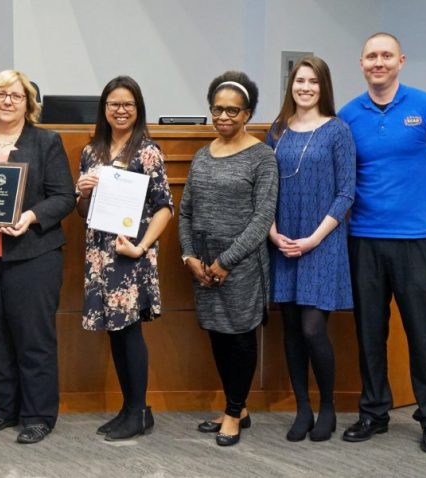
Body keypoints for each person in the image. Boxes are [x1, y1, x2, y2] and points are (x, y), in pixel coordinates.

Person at [338, 32, 426, 454]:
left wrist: (416, 206)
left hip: (415, 241)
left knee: (423, 333)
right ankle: (374, 413)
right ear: (361, 64)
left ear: (401, 61)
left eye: (386, 55)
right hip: (364, 241)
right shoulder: (348, 115)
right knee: (370, 333)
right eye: (371, 55)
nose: (378, 62)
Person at [0, 70, 76, 445]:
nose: (7, 101)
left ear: (29, 104)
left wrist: (30, 217)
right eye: (0, 94)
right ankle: (4, 409)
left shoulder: (46, 142)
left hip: (33, 256)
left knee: (33, 337)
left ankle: (38, 415)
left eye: (16, 96)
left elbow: (64, 197)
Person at [178, 71, 278, 447]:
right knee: (219, 338)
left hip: (241, 267)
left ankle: (234, 412)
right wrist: (189, 255)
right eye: (217, 110)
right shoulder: (203, 156)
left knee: (240, 339)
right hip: (202, 266)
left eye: (232, 111)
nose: (223, 117)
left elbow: (261, 218)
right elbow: (185, 211)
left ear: (247, 113)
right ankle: (238, 405)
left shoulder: (262, 157)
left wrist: (225, 262)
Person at [75, 76, 174, 441]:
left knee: (129, 332)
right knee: (115, 333)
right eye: (114, 104)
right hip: (100, 254)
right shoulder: (92, 152)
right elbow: (84, 211)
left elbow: (165, 208)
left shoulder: (147, 151)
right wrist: (83, 192)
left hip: (131, 255)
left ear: (138, 109)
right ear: (104, 108)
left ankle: (138, 410)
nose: (121, 110)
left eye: (128, 104)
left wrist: (142, 246)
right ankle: (131, 408)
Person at [266, 56, 356, 442]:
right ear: (291, 85)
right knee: (290, 329)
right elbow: (265, 188)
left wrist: (314, 239)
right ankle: (302, 408)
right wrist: (272, 233)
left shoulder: (338, 131)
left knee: (312, 327)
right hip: (284, 241)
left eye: (313, 82)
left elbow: (346, 192)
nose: (305, 87)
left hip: (321, 241)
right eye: (299, 80)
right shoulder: (277, 131)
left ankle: (328, 407)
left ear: (324, 87)